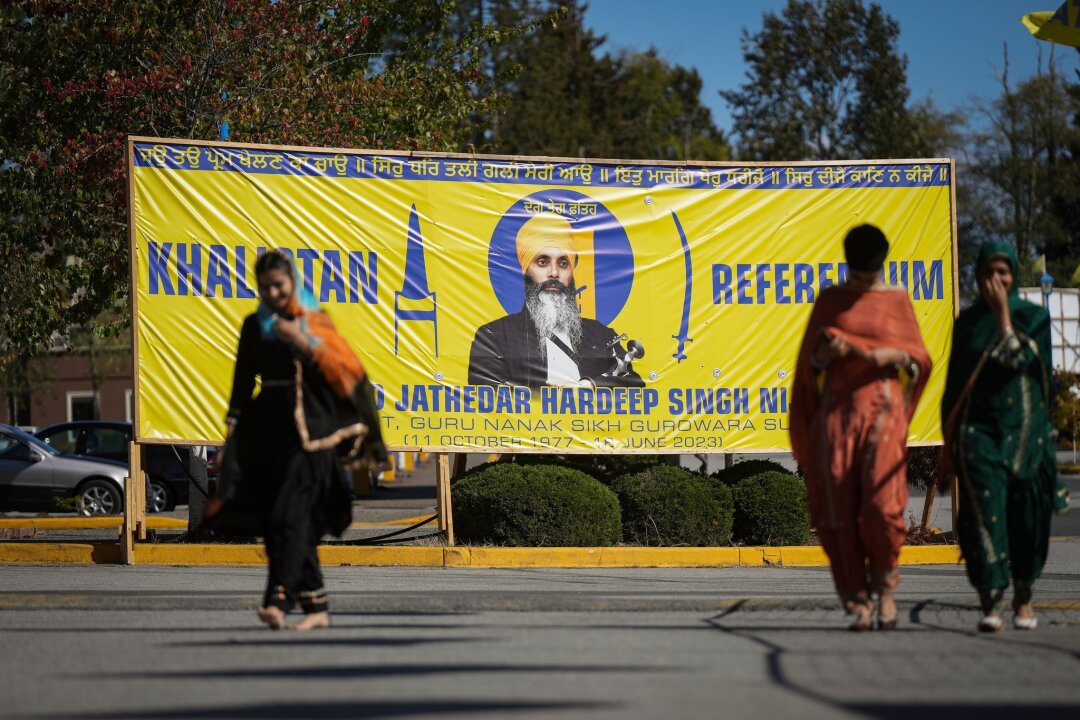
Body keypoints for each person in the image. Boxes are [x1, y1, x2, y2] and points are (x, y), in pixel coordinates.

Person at [214, 249, 378, 631]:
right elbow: (241, 383)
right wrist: (231, 434)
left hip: (312, 434)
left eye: (279, 285)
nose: (273, 293)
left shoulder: (313, 320)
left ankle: (277, 599)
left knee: (292, 514)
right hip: (268, 430)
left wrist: (301, 342)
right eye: (265, 287)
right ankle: (316, 608)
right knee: (277, 519)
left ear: (292, 283)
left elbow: (344, 371)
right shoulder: (254, 325)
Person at [789, 224, 932, 631]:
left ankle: (885, 588)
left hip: (883, 413)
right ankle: (857, 598)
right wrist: (824, 354)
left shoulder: (896, 299)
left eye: (868, 274)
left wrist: (896, 355)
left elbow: (919, 357)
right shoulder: (832, 300)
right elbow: (807, 364)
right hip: (838, 415)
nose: (864, 282)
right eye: (858, 273)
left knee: (881, 506)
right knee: (835, 504)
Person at [942, 242, 1058, 633]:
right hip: (980, 436)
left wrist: (1004, 316)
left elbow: (1027, 365)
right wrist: (948, 444)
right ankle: (990, 601)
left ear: (1013, 276)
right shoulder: (969, 323)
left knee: (1027, 518)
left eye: (1004, 272)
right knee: (983, 517)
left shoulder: (1035, 318)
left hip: (1028, 435)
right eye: (989, 272)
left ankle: (1024, 598)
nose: (997, 279)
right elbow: (955, 388)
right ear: (978, 276)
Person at [468, 212, 644, 389]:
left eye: (563, 263)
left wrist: (591, 385)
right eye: (543, 262)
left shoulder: (600, 334)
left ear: (571, 272)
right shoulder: (494, 336)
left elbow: (634, 383)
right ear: (525, 270)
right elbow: (484, 390)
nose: (554, 273)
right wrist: (542, 397)